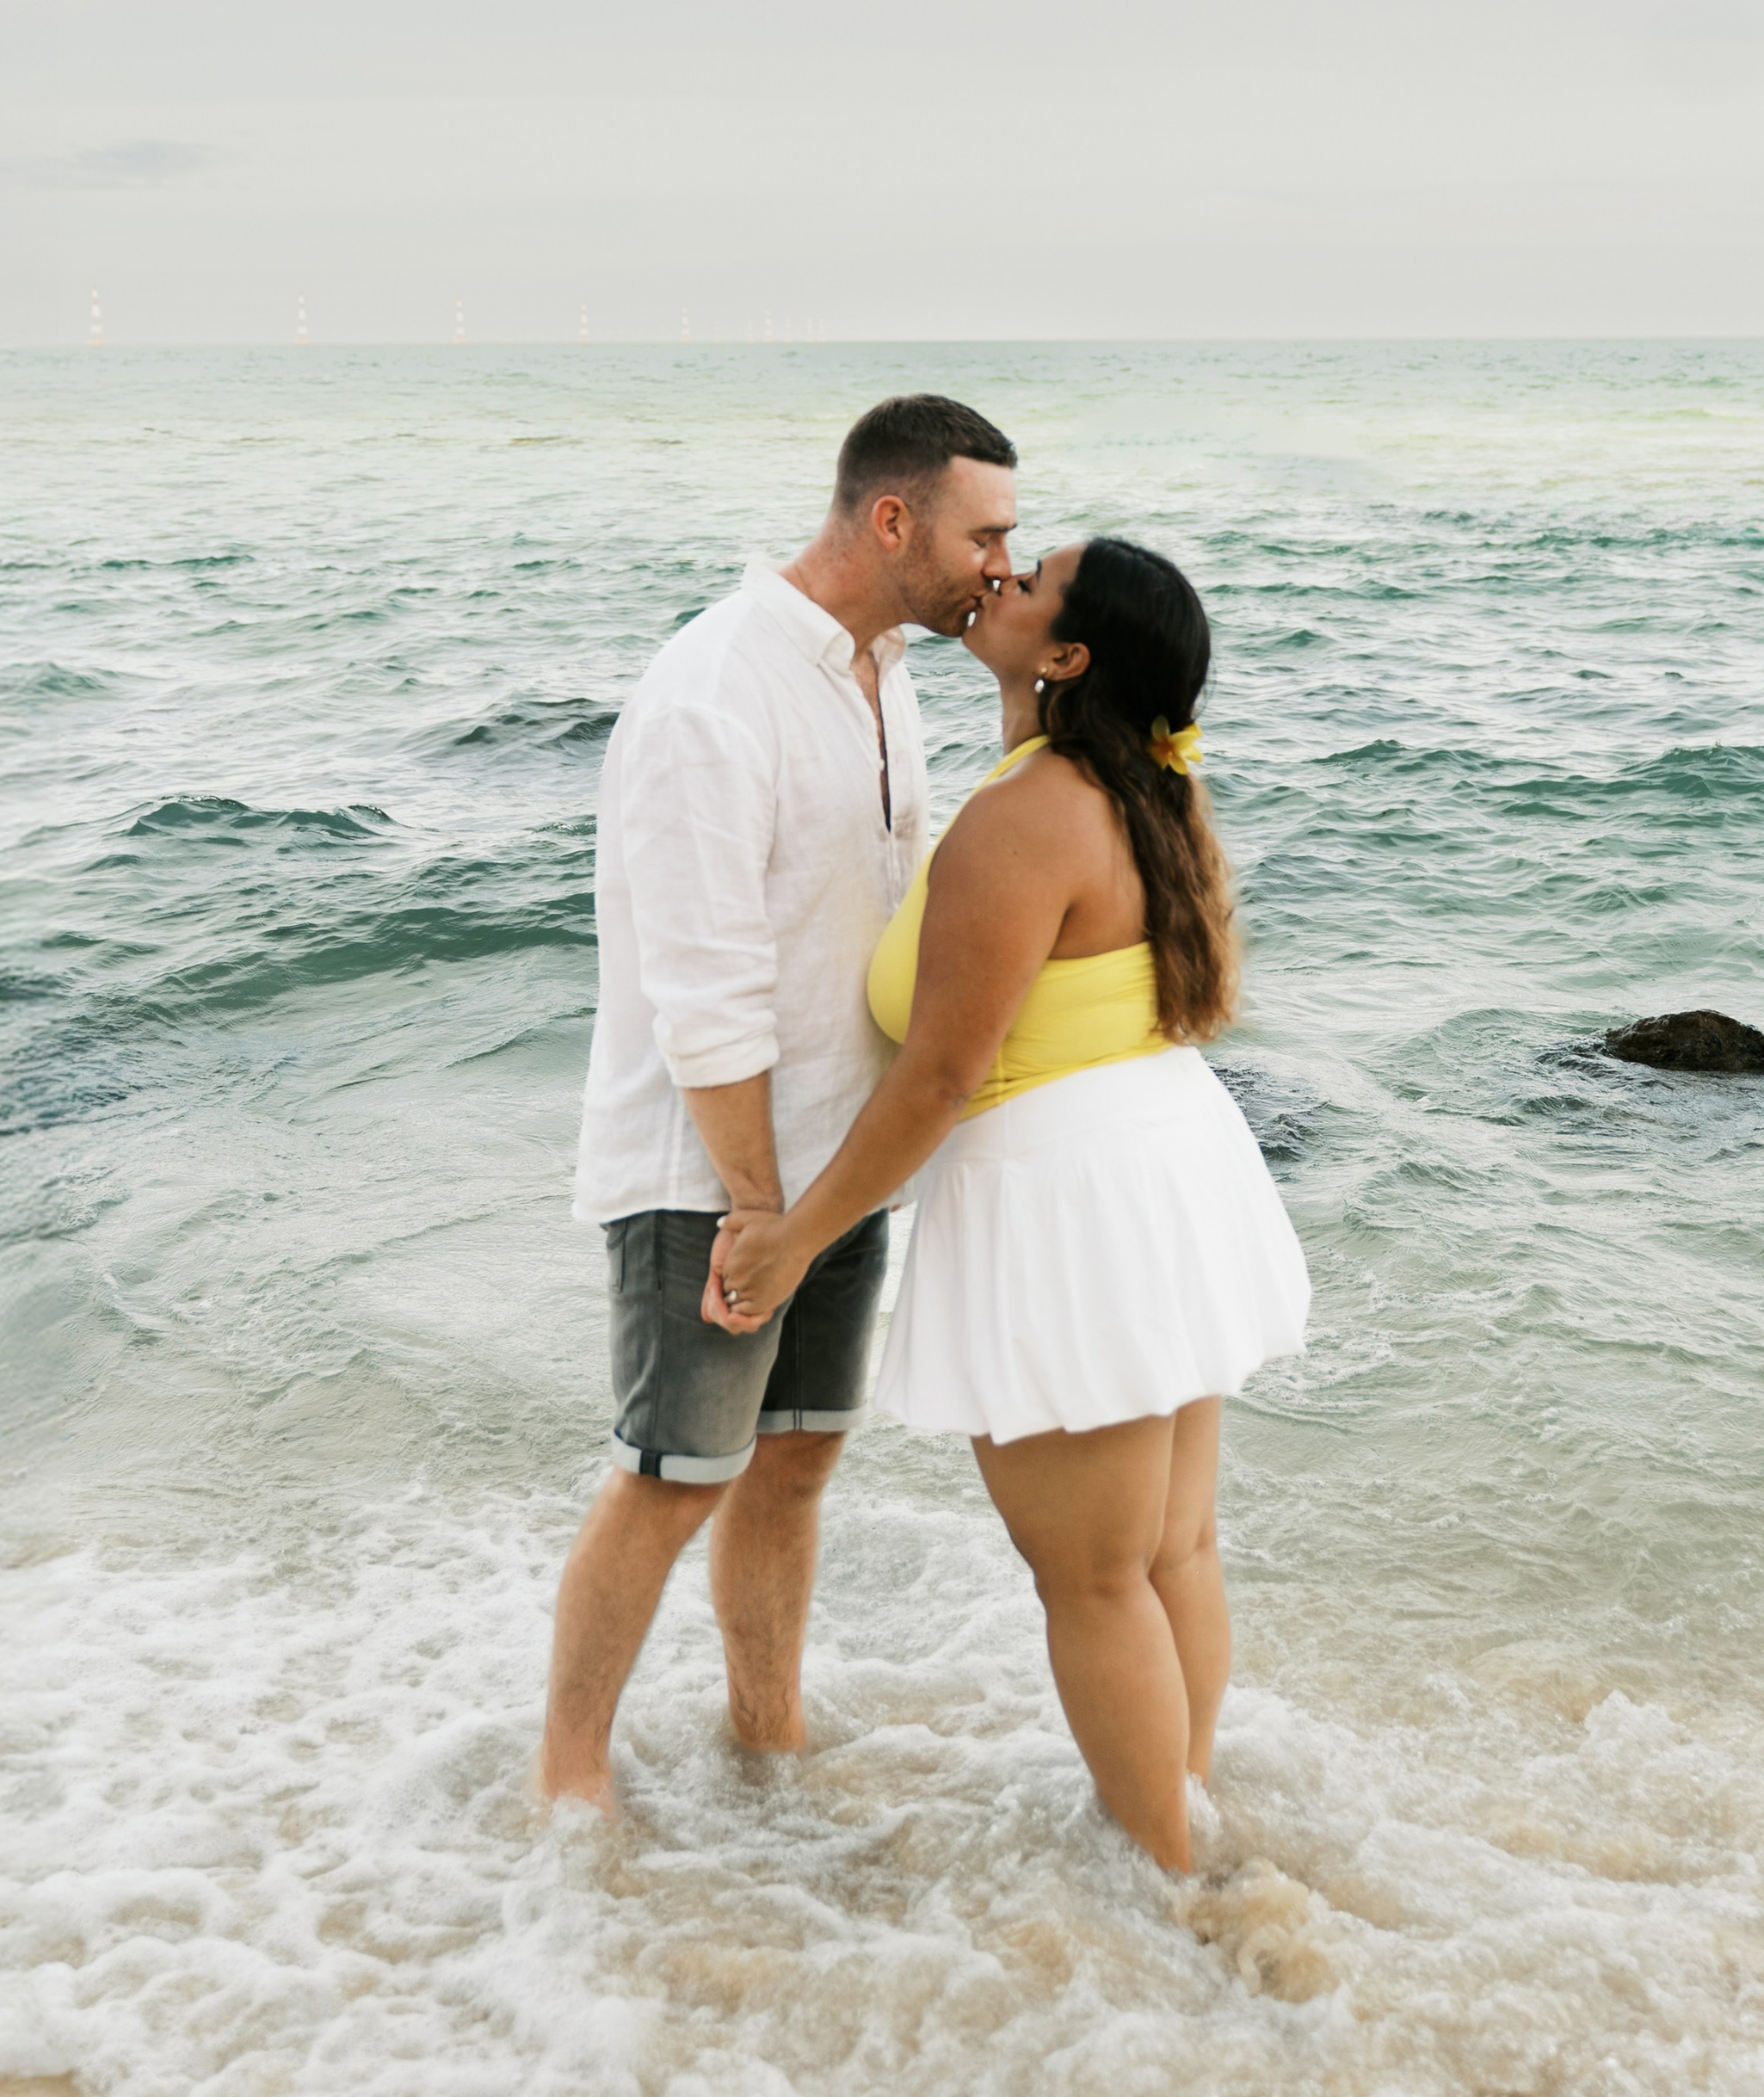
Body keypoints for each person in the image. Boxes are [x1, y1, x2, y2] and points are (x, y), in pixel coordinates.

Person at [709, 537, 1309, 1871]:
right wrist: (1012, 697)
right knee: (1172, 1551)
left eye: (1031, 576)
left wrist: (796, 1238)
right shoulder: (1127, 786)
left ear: (1072, 653)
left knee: (1095, 1582)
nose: (1002, 575)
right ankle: (1183, 1813)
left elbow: (935, 1081)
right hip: (1166, 1162)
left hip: (1072, 1200)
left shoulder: (1025, 818)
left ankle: (1173, 1885)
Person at [537, 393, 1019, 1808]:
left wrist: (832, 1199)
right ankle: (567, 1779)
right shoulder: (715, 694)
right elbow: (706, 989)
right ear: (892, 519)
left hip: (836, 1169)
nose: (1004, 560)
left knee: (798, 1464)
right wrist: (762, 1210)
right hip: (715, 1178)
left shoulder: (885, 672)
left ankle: (768, 1733)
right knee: (676, 1474)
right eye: (985, 531)